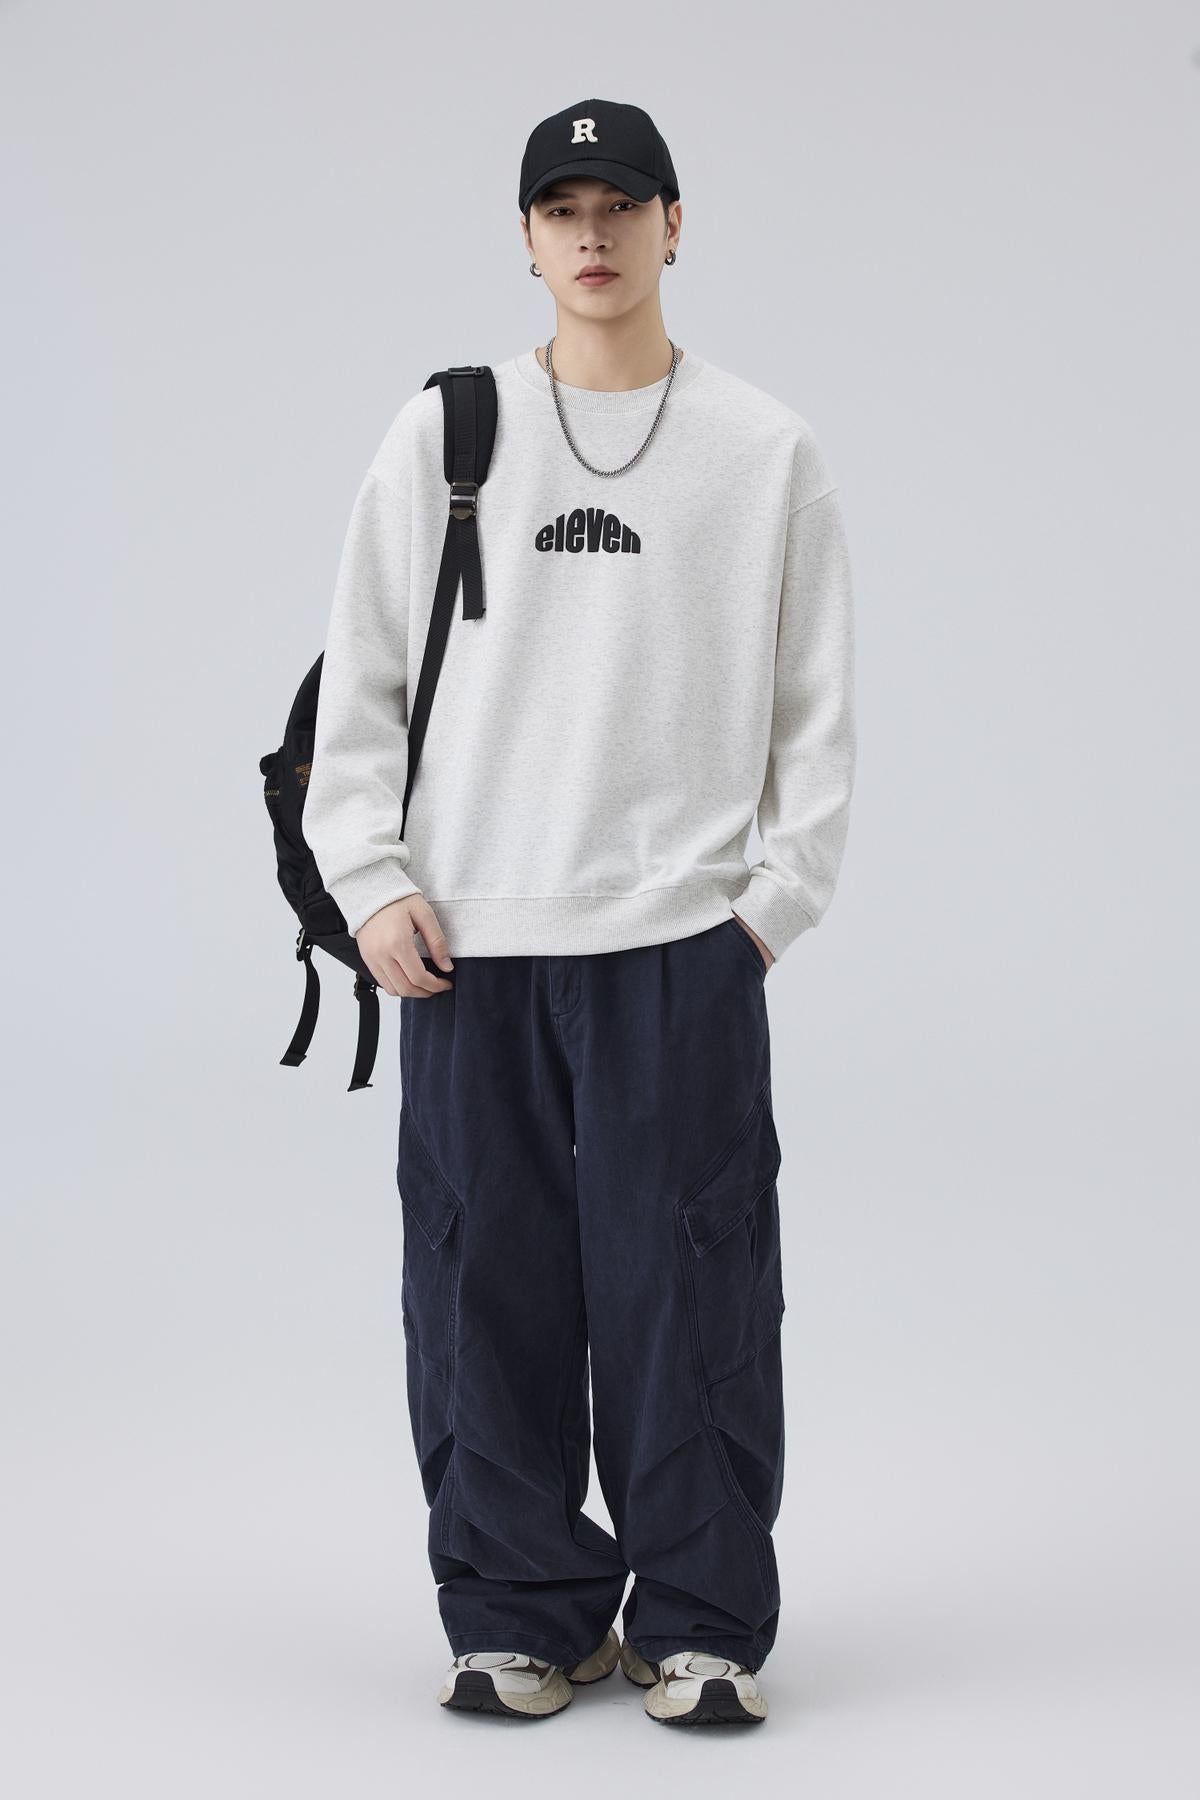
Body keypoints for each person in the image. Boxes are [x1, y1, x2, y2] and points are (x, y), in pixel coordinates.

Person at [303, 96, 857, 1729]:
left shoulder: (764, 450)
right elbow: (363, 673)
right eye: (564, 209)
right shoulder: (448, 432)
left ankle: (700, 1620)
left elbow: (815, 713)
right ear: (528, 237)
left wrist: (768, 909)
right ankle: (518, 1613)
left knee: (691, 1284)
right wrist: (370, 880)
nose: (594, 235)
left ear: (677, 224)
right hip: (470, 945)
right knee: (485, 1286)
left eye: (623, 205)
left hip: (678, 945)